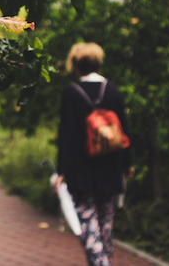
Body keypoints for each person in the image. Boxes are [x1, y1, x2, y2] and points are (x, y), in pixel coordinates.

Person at [55, 43, 134, 266]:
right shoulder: (112, 89)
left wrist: (62, 172)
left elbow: (67, 134)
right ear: (98, 63)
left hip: (82, 171)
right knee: (105, 229)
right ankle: (105, 260)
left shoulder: (71, 92)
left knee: (89, 229)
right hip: (110, 169)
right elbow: (124, 131)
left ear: (76, 65)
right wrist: (127, 164)